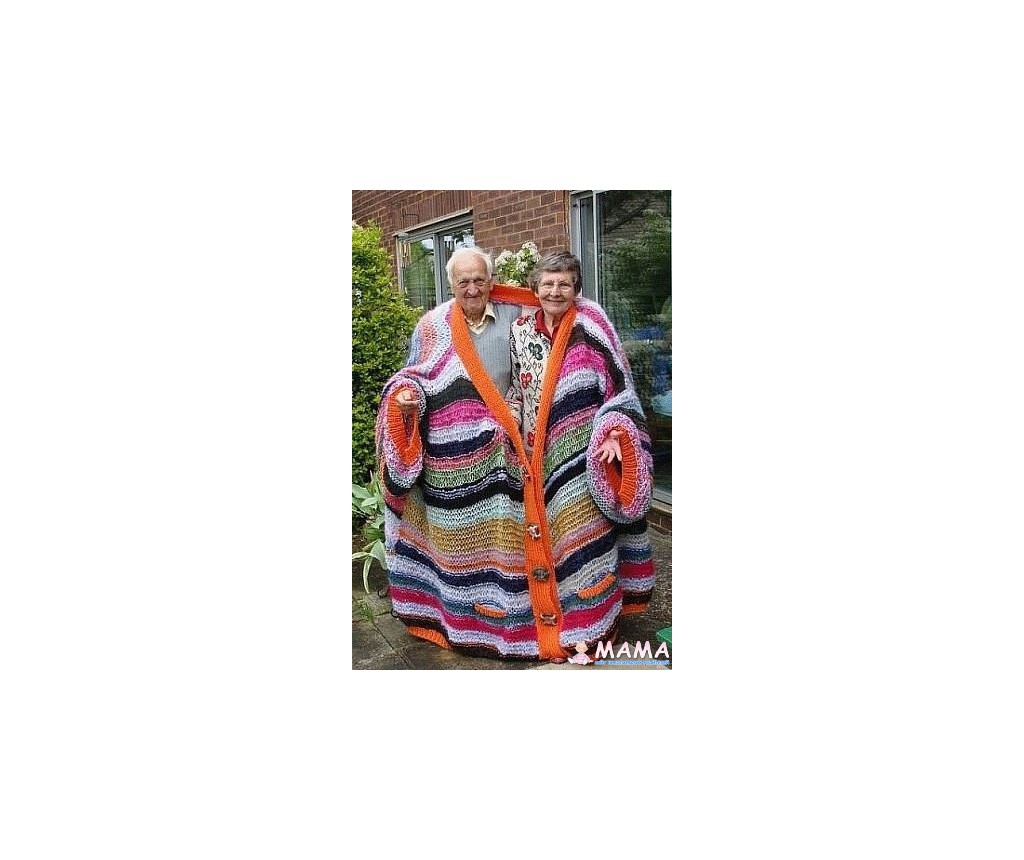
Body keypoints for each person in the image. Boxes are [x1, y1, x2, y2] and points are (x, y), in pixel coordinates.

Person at [375, 246, 541, 658]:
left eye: (479, 279)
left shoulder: (517, 314)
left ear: (491, 281)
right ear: (451, 285)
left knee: (507, 536)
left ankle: (511, 613)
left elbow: (559, 316)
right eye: (463, 281)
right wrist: (406, 398)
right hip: (452, 457)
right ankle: (459, 615)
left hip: (506, 449)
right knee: (461, 540)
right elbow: (415, 374)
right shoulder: (433, 325)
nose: (472, 288)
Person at [505, 250, 656, 656]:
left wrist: (613, 432)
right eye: (548, 284)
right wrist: (510, 424)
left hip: (587, 453)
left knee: (586, 537)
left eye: (564, 284)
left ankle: (594, 619)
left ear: (576, 289)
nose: (555, 291)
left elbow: (619, 384)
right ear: (535, 288)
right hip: (537, 454)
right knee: (550, 536)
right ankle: (559, 613)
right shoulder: (519, 331)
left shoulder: (591, 326)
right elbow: (518, 389)